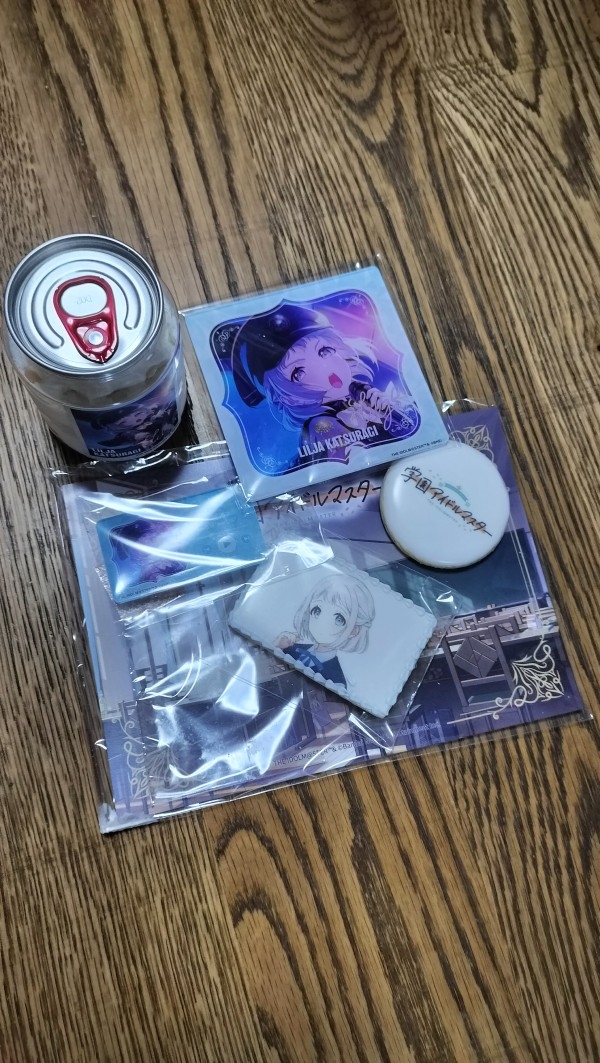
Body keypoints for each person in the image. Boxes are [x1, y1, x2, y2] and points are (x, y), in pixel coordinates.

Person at [229, 298, 420, 464]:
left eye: (325, 351)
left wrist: (389, 413)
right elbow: (357, 463)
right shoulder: (321, 427)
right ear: (284, 397)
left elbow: (414, 438)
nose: (326, 371)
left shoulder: (365, 396)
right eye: (298, 372)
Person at [276, 573, 375, 687]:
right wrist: (278, 645)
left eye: (339, 619)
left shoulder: (337, 681)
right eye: (317, 610)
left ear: (354, 630)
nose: (322, 622)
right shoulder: (292, 647)